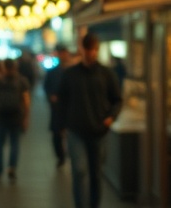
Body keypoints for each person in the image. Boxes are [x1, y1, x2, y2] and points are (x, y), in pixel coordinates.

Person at [57, 33, 122, 208]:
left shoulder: (106, 74)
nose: (90, 53)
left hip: (99, 131)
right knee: (79, 171)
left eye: (93, 50)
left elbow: (117, 99)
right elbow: (62, 101)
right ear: (82, 50)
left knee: (96, 174)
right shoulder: (71, 74)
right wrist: (62, 126)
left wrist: (111, 117)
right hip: (76, 130)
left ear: (96, 50)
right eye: (87, 50)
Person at [0, 58, 30, 181]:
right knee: (14, 143)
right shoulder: (22, 81)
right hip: (16, 116)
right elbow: (26, 101)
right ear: (15, 67)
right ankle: (12, 167)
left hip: (0, 115)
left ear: (3, 67)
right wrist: (26, 117)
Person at [43, 44, 72, 167]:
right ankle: (61, 156)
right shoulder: (53, 72)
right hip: (57, 108)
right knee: (56, 133)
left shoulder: (72, 71)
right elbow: (46, 87)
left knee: (70, 133)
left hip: (70, 108)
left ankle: (67, 154)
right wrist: (51, 97)